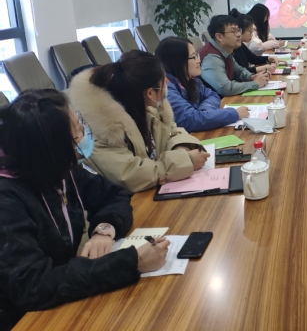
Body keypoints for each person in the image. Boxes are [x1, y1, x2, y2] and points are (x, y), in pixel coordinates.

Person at [0, 89, 169, 330]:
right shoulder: (7, 201)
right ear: (52, 147)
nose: (82, 133)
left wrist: (105, 229)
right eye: (75, 131)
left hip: (65, 300)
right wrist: (131, 262)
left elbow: (114, 195)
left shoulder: (60, 170)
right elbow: (33, 286)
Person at [67, 50, 209, 193]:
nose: (166, 87)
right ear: (150, 93)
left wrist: (181, 151)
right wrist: (185, 161)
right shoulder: (101, 128)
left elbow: (173, 131)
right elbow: (131, 175)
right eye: (164, 83)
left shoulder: (147, 106)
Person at [155, 36, 249, 132]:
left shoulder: (191, 80)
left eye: (197, 55)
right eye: (193, 57)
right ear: (177, 62)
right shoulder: (166, 90)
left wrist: (203, 111)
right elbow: (190, 119)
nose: (198, 60)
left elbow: (212, 95)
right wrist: (234, 114)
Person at [199, 15, 269, 97]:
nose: (239, 34)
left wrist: (252, 77)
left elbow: (239, 71)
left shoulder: (225, 50)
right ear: (219, 37)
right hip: (217, 102)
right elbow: (226, 88)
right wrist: (255, 84)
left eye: (238, 30)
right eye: (233, 31)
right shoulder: (211, 58)